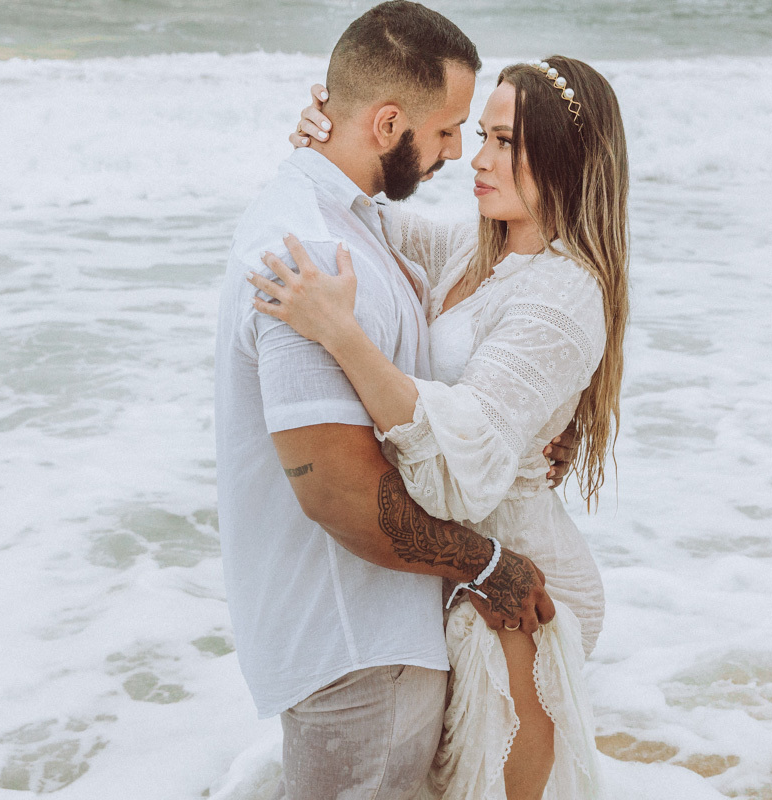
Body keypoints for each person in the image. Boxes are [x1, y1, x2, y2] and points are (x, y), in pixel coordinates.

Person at [214, 3, 577, 798]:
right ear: (387, 123)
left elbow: (518, 341)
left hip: (398, 624)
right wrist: (487, 564)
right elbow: (339, 489)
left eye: (486, 137)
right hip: (354, 637)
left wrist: (543, 423)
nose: (459, 153)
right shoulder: (311, 254)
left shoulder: (366, 230)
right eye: (452, 130)